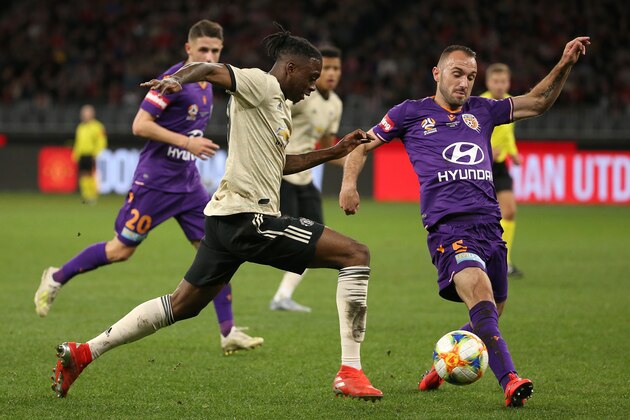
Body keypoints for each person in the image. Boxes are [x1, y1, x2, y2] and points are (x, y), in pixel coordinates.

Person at [50, 24, 383, 401]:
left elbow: (281, 165)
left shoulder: (278, 107)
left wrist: (335, 151)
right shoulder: (261, 83)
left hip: (227, 221)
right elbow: (209, 69)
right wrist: (176, 80)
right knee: (356, 255)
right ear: (290, 68)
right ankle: (351, 372)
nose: (312, 86)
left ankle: (83, 353)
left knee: (180, 305)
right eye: (310, 77)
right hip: (248, 219)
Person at [340, 37, 590, 407]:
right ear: (437, 73)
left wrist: (565, 64)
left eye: (471, 76)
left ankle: (442, 364)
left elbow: (537, 101)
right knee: (479, 290)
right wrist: (349, 185)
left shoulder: (483, 111)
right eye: (457, 74)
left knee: (493, 310)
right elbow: (361, 144)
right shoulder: (410, 113)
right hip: (449, 227)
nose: (464, 82)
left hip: (490, 227)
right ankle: (510, 380)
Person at [35, 20, 263, 355]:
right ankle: (56, 277)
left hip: (188, 185)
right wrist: (186, 142)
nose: (210, 55)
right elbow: (140, 125)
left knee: (217, 250)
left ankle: (228, 332)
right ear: (189, 49)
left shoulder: (207, 82)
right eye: (203, 50)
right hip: (154, 183)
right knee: (120, 251)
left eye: (215, 50)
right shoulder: (173, 81)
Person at [270, 46, 344, 312]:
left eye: (337, 68)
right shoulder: (299, 95)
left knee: (315, 241)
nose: (332, 74)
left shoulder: (335, 104)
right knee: (282, 239)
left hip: (305, 178)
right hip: (282, 173)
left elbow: (325, 146)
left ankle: (282, 297)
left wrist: (351, 157)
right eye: (328, 69)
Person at [481, 63, 523, 278]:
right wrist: (487, 151)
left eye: (503, 81)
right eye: (495, 81)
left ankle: (504, 261)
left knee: (509, 211)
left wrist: (513, 152)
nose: (499, 85)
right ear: (488, 83)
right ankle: (480, 259)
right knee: (483, 215)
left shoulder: (510, 103)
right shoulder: (479, 104)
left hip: (499, 166)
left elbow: (507, 135)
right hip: (479, 165)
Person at [72, 104, 107, 204]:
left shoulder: (97, 127)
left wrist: (97, 153)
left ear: (92, 114)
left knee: (91, 175)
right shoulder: (80, 127)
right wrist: (76, 154)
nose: (85, 115)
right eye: (83, 113)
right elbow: (78, 142)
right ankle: (85, 195)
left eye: (87, 113)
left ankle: (93, 196)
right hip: (82, 154)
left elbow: (101, 141)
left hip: (92, 154)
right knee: (83, 175)